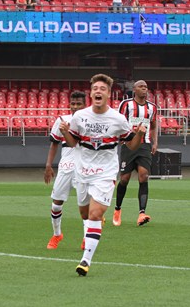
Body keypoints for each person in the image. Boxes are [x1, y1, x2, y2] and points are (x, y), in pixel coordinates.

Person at [58, 74, 145, 276]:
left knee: (95, 214)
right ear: (91, 92)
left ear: (108, 94)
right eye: (95, 88)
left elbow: (131, 145)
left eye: (102, 89)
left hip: (105, 173)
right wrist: (65, 132)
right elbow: (73, 143)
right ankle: (95, 224)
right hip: (82, 172)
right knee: (84, 215)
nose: (98, 91)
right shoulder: (80, 117)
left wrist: (139, 134)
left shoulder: (118, 119)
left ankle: (85, 261)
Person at [112, 79, 159, 228]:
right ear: (134, 89)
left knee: (143, 175)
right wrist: (120, 136)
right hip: (129, 144)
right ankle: (117, 209)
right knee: (124, 179)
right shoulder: (126, 105)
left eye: (146, 87)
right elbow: (118, 121)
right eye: (141, 86)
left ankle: (142, 213)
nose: (145, 89)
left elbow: (153, 125)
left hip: (144, 144)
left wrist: (155, 142)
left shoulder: (152, 107)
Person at [43, 90, 87, 250]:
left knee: (85, 206)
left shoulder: (90, 121)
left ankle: (87, 238)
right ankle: (57, 235)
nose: (75, 107)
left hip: (84, 167)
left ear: (85, 105)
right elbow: (54, 143)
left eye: (79, 104)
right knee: (56, 203)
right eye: (73, 104)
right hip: (66, 166)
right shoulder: (62, 120)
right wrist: (48, 165)